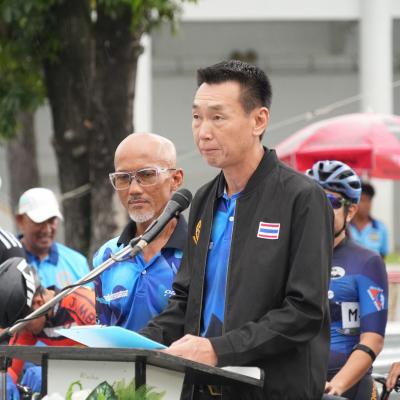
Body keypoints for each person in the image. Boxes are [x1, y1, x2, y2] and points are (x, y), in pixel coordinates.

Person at [140, 60, 333, 400]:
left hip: (271, 390)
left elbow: (304, 311)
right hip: (204, 387)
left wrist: (219, 349)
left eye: (217, 117)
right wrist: (137, 343)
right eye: (197, 117)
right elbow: (186, 300)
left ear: (259, 121)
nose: (203, 132)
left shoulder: (302, 198)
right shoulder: (204, 199)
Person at [307, 161, 388, 399]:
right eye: (313, 200)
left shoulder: (367, 262)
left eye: (330, 202)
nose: (320, 209)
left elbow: (373, 339)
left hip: (348, 388)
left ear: (350, 211)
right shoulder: (289, 258)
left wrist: (336, 387)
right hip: (298, 384)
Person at [93, 132, 187, 332]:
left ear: (175, 179)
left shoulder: (201, 250)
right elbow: (103, 333)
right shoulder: (107, 256)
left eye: (146, 175)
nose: (134, 189)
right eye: (123, 178)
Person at [0, 257, 95, 394]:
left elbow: (113, 357)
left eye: (24, 325)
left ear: (39, 302)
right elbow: (12, 368)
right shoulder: (31, 321)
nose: (23, 331)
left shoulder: (81, 305)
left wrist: (53, 375)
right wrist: (5, 381)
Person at [15, 187, 90, 289]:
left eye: (51, 220)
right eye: (39, 221)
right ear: (20, 220)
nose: (47, 230)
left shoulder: (77, 263)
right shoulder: (6, 262)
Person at [349, 181, 389, 258]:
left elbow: (382, 255)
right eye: (363, 200)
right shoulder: (345, 226)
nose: (367, 205)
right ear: (354, 203)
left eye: (369, 200)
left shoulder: (380, 227)